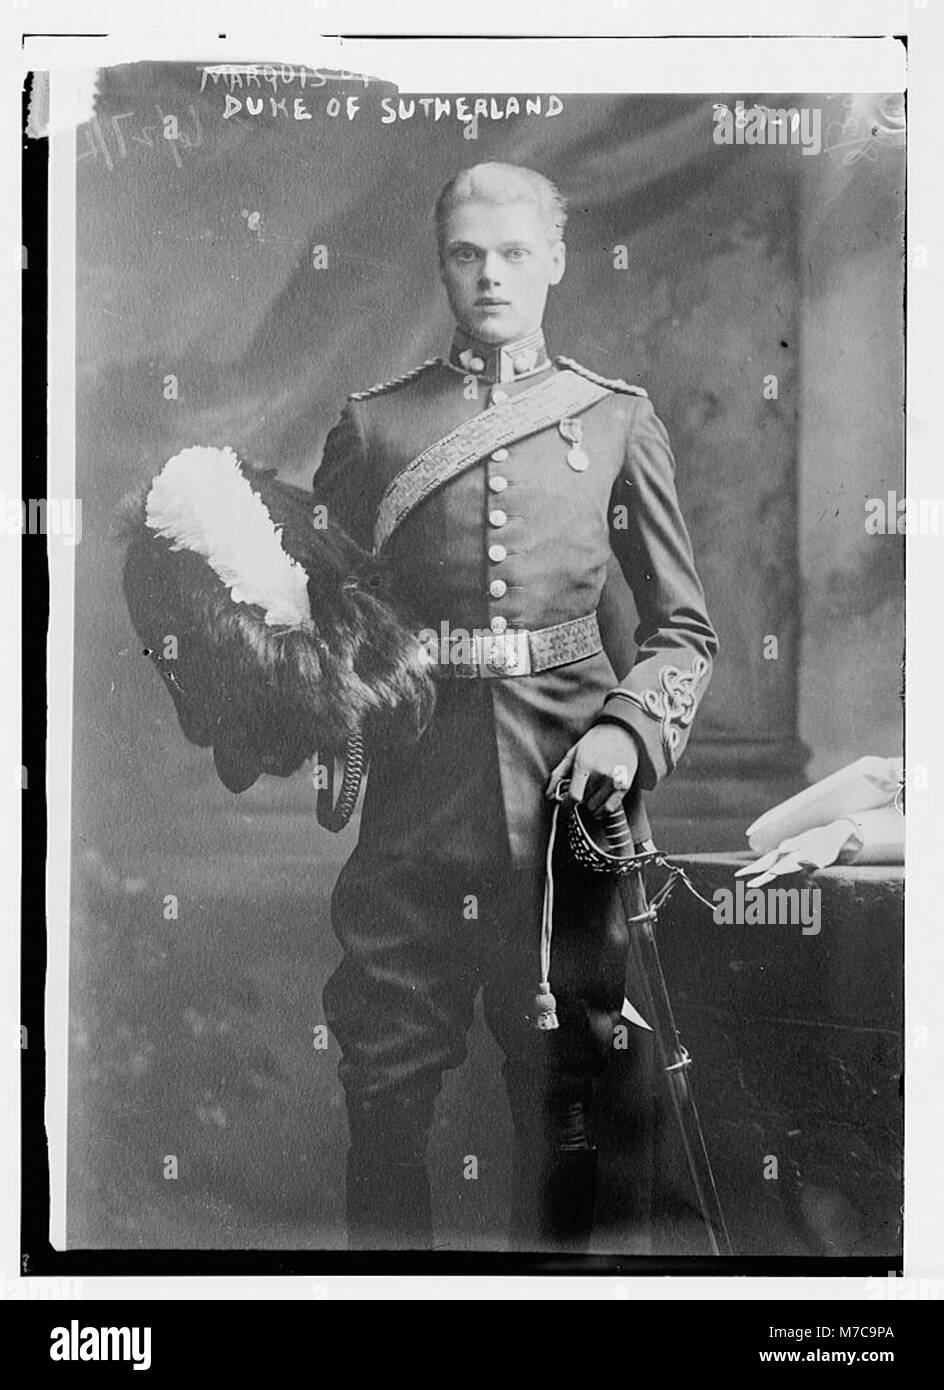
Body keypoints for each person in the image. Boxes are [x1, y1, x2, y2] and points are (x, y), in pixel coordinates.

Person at [311, 161, 718, 1251]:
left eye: (512, 252)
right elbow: (326, 621)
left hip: (568, 817)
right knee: (384, 1092)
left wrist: (627, 736)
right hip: (412, 813)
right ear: (442, 261)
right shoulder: (375, 428)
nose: (488, 274)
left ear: (554, 261)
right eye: (464, 253)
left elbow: (681, 632)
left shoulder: (617, 420)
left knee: (567, 1094)